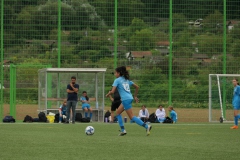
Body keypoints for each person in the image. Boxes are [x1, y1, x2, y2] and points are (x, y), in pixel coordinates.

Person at [106, 66, 152, 136]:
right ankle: (122, 130)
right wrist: (135, 96)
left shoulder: (117, 80)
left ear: (118, 73)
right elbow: (137, 87)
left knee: (132, 117)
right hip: (129, 98)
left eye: (115, 73)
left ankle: (146, 126)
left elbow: (112, 91)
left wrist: (107, 94)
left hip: (125, 99)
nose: (115, 74)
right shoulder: (126, 80)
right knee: (118, 112)